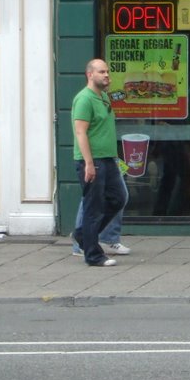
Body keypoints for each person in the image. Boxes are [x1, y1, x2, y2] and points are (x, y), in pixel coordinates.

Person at [72, 58, 128, 267]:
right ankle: (93, 255)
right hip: (93, 160)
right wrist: (88, 163)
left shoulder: (103, 97)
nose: (106, 75)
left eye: (107, 71)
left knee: (118, 198)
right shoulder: (84, 99)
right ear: (90, 75)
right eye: (101, 72)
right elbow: (80, 131)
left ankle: (82, 234)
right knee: (93, 207)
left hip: (108, 158)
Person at [71, 171, 130, 257]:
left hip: (107, 158)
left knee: (116, 196)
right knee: (93, 197)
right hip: (96, 160)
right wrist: (89, 162)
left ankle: (105, 238)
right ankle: (84, 242)